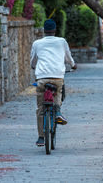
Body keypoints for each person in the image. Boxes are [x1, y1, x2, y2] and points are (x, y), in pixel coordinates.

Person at [30, 19, 77, 147]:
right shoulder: (62, 41)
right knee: (58, 93)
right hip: (57, 76)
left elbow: (33, 61)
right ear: (55, 30)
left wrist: (34, 67)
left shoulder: (37, 43)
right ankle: (57, 112)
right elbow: (68, 58)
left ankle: (41, 137)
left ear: (44, 31)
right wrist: (73, 65)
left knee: (40, 107)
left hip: (42, 78)